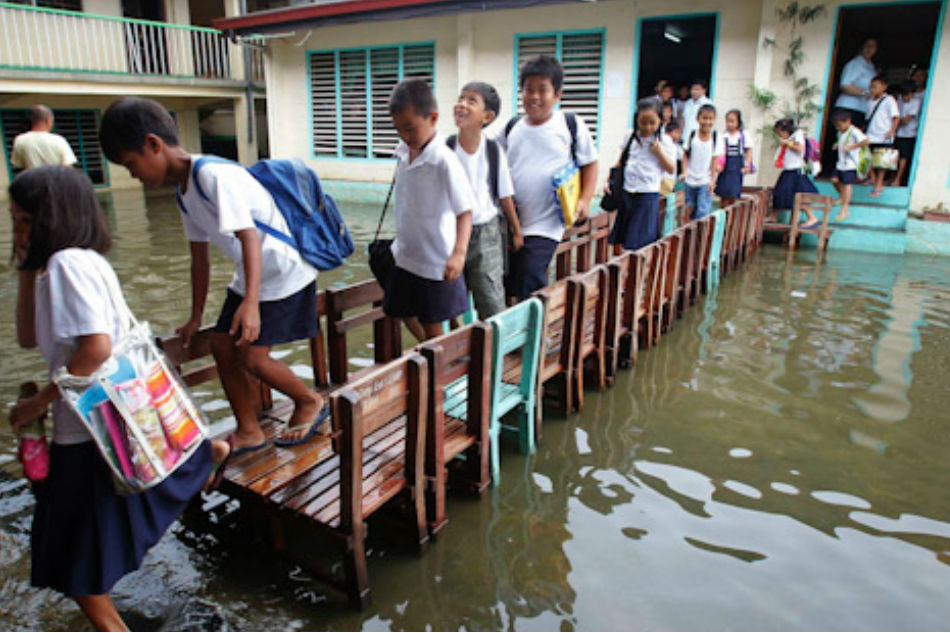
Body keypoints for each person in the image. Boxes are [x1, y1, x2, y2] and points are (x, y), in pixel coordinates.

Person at [7, 166, 226, 632]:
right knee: (76, 555)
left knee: (74, 564)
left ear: (53, 217)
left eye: (25, 221)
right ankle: (203, 457)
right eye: (14, 221)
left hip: (88, 433)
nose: (18, 231)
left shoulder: (68, 265)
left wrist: (39, 402)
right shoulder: (67, 265)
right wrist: (26, 268)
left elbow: (97, 349)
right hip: (91, 429)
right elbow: (28, 337)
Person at [99, 97, 326, 450]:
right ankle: (249, 430)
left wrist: (249, 305)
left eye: (131, 164)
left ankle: (309, 400)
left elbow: (249, 237)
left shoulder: (213, 176)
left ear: (153, 145)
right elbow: (199, 259)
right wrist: (194, 317)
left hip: (282, 272)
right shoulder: (184, 192)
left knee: (253, 357)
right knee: (221, 344)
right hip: (252, 274)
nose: (134, 175)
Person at [499, 54, 598, 300]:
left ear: (557, 94)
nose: (534, 96)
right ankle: (517, 331)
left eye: (542, 90)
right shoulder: (511, 127)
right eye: (528, 89)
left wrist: (584, 201)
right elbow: (489, 160)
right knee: (509, 280)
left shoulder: (569, 124)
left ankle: (536, 334)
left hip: (547, 222)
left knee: (530, 276)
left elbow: (591, 163)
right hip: (513, 221)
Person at [384, 79, 475, 340]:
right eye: (399, 129)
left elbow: (465, 211)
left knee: (433, 321)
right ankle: (432, 353)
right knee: (398, 308)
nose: (405, 136)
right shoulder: (403, 152)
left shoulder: (444, 160)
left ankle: (438, 375)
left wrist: (458, 254)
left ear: (433, 118)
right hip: (406, 255)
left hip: (434, 259)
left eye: (410, 128)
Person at [450, 81, 521, 319]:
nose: (461, 105)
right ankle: (458, 352)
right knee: (452, 302)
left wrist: (516, 230)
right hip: (450, 234)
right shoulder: (445, 149)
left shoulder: (492, 151)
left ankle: (496, 352)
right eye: (460, 99)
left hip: (486, 233)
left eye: (471, 101)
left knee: (491, 300)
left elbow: (504, 194)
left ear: (487, 116)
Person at [605, 98, 676, 251]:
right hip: (628, 191)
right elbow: (620, 160)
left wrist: (659, 153)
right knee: (623, 239)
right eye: (643, 122)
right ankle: (623, 271)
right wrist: (608, 180)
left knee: (640, 241)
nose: (648, 127)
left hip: (647, 193)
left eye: (652, 122)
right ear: (636, 119)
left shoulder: (664, 141)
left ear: (660, 121)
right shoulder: (630, 136)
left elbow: (671, 169)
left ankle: (638, 272)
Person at [772, 117, 819, 226]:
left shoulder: (797, 135)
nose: (780, 136)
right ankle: (774, 215)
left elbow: (800, 149)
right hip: (788, 170)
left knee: (799, 196)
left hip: (795, 170)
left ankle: (812, 217)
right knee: (779, 192)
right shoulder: (790, 138)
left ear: (785, 130)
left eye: (780, 133)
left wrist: (787, 143)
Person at [682, 104, 723, 220]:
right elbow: (685, 154)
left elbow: (714, 160)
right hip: (690, 179)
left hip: (705, 180)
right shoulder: (692, 135)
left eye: (711, 119)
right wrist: (685, 172)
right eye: (704, 118)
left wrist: (713, 181)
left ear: (714, 120)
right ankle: (690, 236)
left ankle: (700, 237)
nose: (707, 122)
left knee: (702, 212)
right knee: (689, 209)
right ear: (698, 118)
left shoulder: (716, 137)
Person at [830, 109, 869, 222]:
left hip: (851, 164)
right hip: (841, 163)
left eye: (840, 125)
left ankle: (844, 209)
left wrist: (852, 147)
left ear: (848, 121)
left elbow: (866, 141)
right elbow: (842, 140)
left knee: (847, 185)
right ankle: (842, 197)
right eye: (836, 126)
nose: (838, 128)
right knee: (834, 180)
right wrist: (837, 144)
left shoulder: (854, 131)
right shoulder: (841, 132)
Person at [10, 105, 77, 171]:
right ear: (48, 120)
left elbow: (19, 166)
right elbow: (68, 168)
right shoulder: (59, 140)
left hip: (32, 181)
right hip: (56, 180)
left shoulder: (20, 140)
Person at [865, 75, 900, 196]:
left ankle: (879, 183)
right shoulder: (869, 101)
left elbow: (896, 117)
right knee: (867, 157)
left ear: (884, 87)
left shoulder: (889, 100)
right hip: (871, 135)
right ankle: (873, 180)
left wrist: (892, 131)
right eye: (871, 87)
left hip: (883, 135)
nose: (872, 89)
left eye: (875, 87)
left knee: (882, 161)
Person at [834, 37, 878, 129]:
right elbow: (845, 85)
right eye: (867, 46)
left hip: (861, 108)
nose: (869, 49)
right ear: (861, 47)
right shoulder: (855, 63)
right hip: (848, 107)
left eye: (873, 46)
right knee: (846, 138)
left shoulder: (871, 66)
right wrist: (863, 93)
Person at [714, 109, 753, 207]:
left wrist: (747, 164)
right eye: (728, 121)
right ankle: (723, 209)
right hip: (726, 164)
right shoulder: (723, 136)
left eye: (732, 121)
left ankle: (731, 211)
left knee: (733, 190)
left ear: (738, 122)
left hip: (736, 164)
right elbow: (719, 152)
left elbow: (749, 150)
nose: (729, 124)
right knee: (723, 189)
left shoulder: (743, 135)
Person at [891, 80, 920, 187]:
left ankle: (898, 179)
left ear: (912, 93)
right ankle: (892, 178)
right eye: (903, 95)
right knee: (894, 156)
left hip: (909, 133)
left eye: (907, 95)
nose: (904, 97)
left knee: (904, 157)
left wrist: (897, 121)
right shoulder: (898, 99)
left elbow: (906, 120)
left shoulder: (916, 102)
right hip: (898, 133)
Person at [679, 79, 712, 148]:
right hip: (685, 138)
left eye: (697, 90)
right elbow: (683, 120)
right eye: (693, 89)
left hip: (698, 140)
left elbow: (708, 123)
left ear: (704, 90)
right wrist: (680, 135)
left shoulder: (707, 103)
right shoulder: (688, 102)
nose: (694, 92)